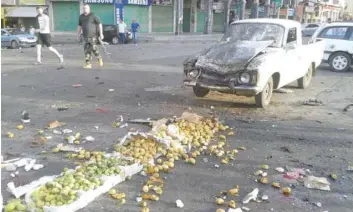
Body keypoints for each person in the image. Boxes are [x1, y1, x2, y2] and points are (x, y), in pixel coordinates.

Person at [77, 4, 104, 69]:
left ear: (89, 9)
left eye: (86, 8)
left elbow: (100, 24)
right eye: (83, 8)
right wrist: (77, 35)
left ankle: (99, 58)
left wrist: (101, 34)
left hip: (93, 37)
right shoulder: (81, 17)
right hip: (85, 37)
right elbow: (79, 26)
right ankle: (88, 64)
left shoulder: (93, 15)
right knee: (86, 51)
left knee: (94, 49)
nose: (84, 9)